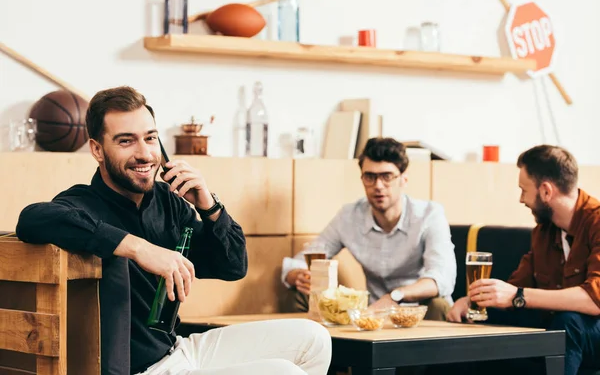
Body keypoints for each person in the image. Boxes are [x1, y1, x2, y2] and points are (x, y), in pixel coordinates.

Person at [16, 86, 331, 375]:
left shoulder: (168, 201)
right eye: (126, 140)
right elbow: (32, 218)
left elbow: (234, 266)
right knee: (282, 373)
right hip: (143, 370)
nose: (144, 153)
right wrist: (138, 248)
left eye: (150, 138)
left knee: (314, 338)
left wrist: (208, 206)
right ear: (97, 150)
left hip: (177, 350)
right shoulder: (82, 203)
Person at [447, 144, 600, 375]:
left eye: (523, 189)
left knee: (568, 324)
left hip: (589, 331)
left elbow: (594, 300)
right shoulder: (544, 231)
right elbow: (516, 285)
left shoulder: (596, 222)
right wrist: (472, 301)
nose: (521, 199)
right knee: (481, 317)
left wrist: (518, 296)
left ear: (546, 191)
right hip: (557, 326)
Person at [282, 137, 457, 320]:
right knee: (300, 295)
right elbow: (303, 260)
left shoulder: (429, 214)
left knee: (439, 304)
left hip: (420, 308)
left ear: (403, 179)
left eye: (387, 176)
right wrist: (298, 276)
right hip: (373, 310)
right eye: (370, 177)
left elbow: (441, 279)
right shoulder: (349, 216)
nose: (378, 186)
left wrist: (395, 296)